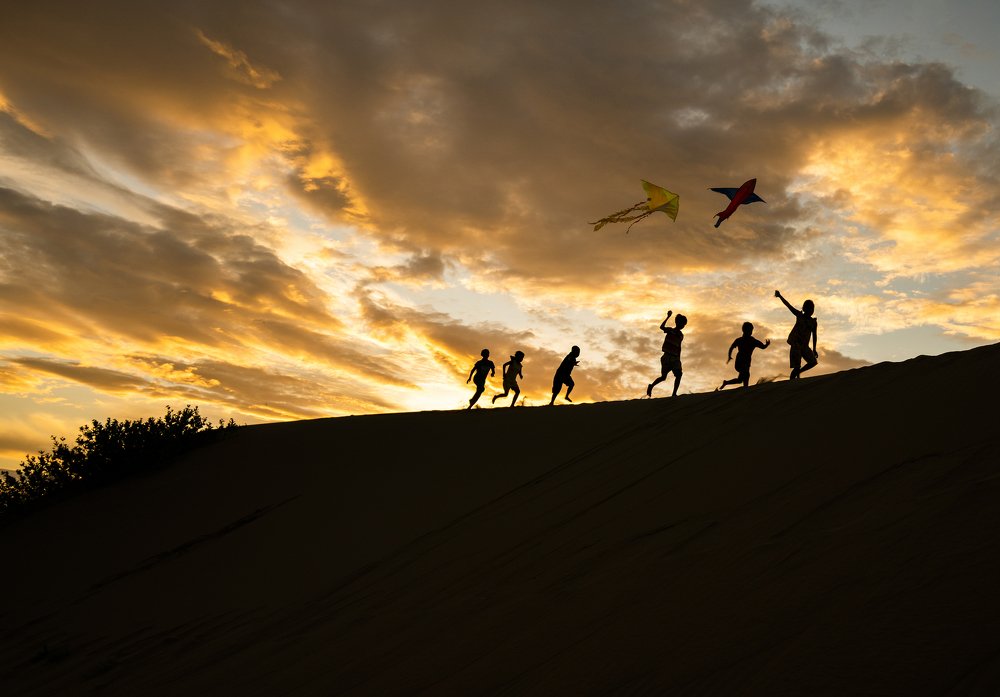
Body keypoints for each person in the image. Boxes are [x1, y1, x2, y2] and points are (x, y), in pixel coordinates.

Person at [775, 290, 818, 379]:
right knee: (796, 367)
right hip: (796, 345)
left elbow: (814, 336)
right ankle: (793, 381)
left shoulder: (813, 322)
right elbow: (788, 305)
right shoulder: (799, 315)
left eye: (812, 308)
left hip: (805, 346)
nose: (811, 310)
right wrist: (780, 296)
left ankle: (799, 373)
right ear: (805, 308)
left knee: (813, 362)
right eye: (809, 308)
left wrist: (814, 349)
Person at [718, 322, 770, 390]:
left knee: (740, 380)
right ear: (744, 330)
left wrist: (766, 344)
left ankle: (726, 383)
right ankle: (746, 390)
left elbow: (763, 347)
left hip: (746, 362)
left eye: (751, 330)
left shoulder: (752, 340)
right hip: (740, 362)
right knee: (746, 375)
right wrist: (729, 356)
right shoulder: (741, 340)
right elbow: (731, 347)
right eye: (749, 330)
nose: (750, 332)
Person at [647, 310, 687, 397]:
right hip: (666, 357)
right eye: (682, 324)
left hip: (675, 358)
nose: (683, 326)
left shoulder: (681, 335)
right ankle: (651, 386)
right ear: (677, 322)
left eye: (684, 325)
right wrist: (668, 317)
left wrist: (679, 359)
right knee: (663, 377)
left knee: (679, 374)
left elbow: (679, 347)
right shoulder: (670, 330)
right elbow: (661, 327)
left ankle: (674, 393)